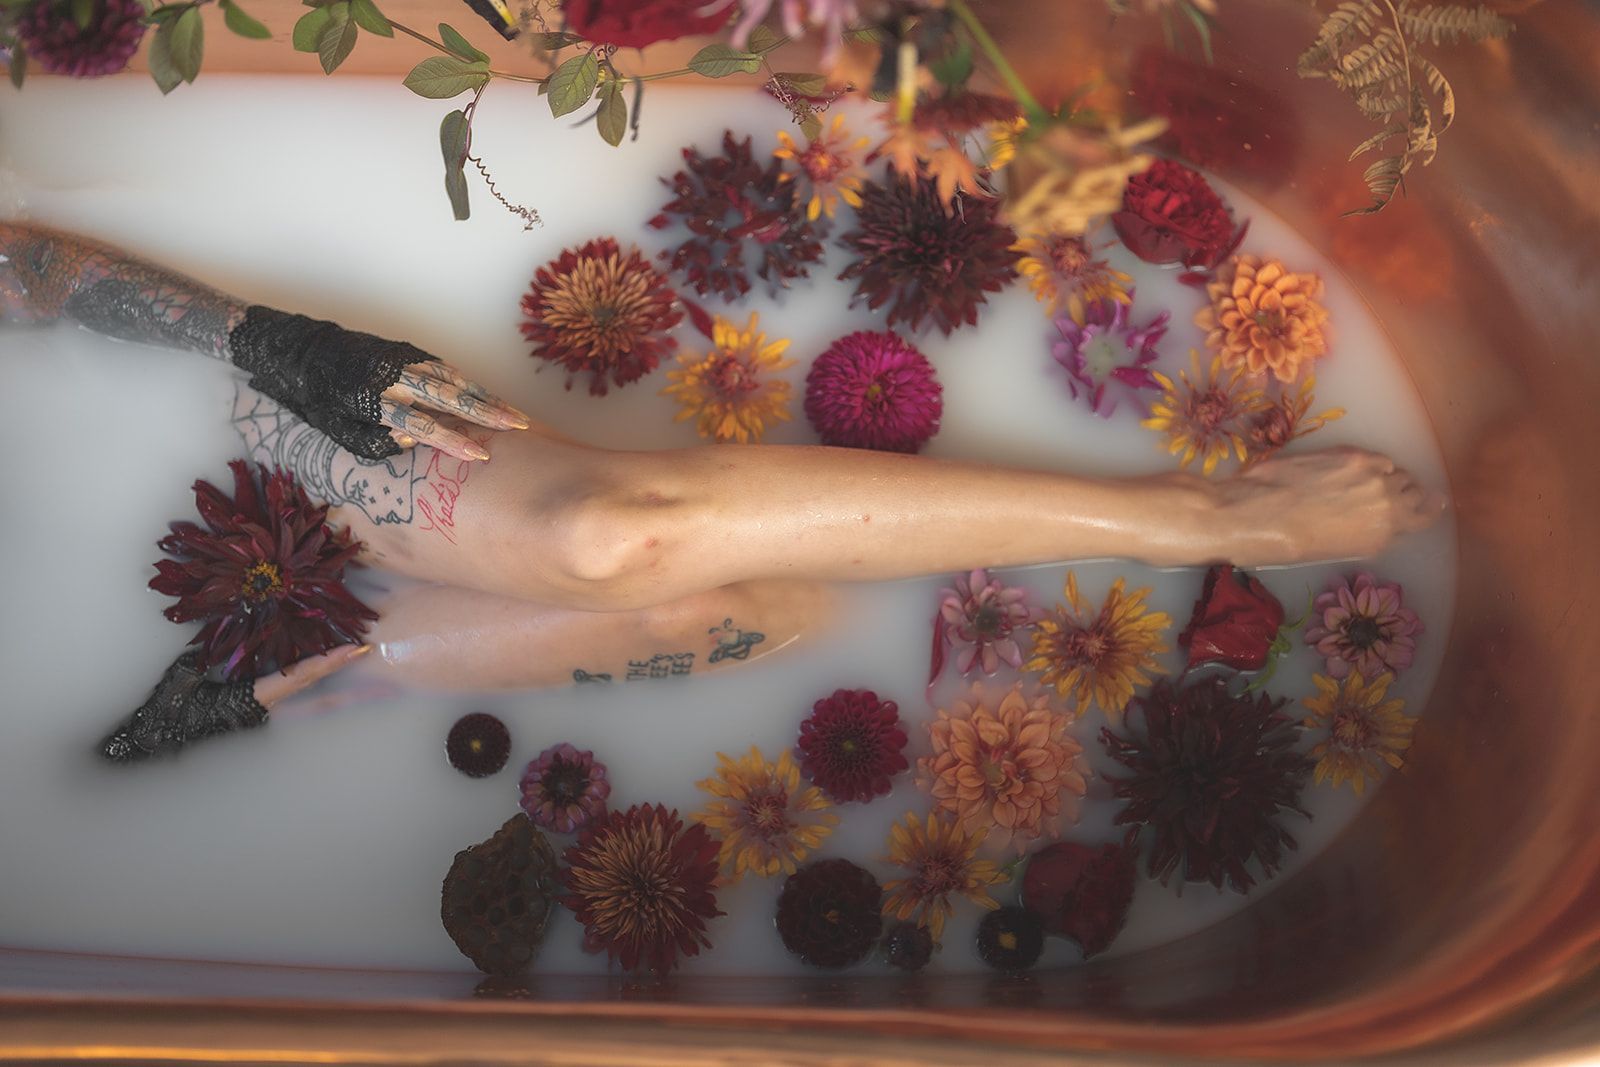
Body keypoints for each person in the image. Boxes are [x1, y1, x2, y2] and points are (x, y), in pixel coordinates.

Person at [0, 221, 1444, 760]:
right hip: (187, 656)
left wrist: (265, 340)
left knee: (612, 538)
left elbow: (33, 265)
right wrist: (207, 712)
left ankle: (1201, 518)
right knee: (771, 613)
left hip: (228, 424)